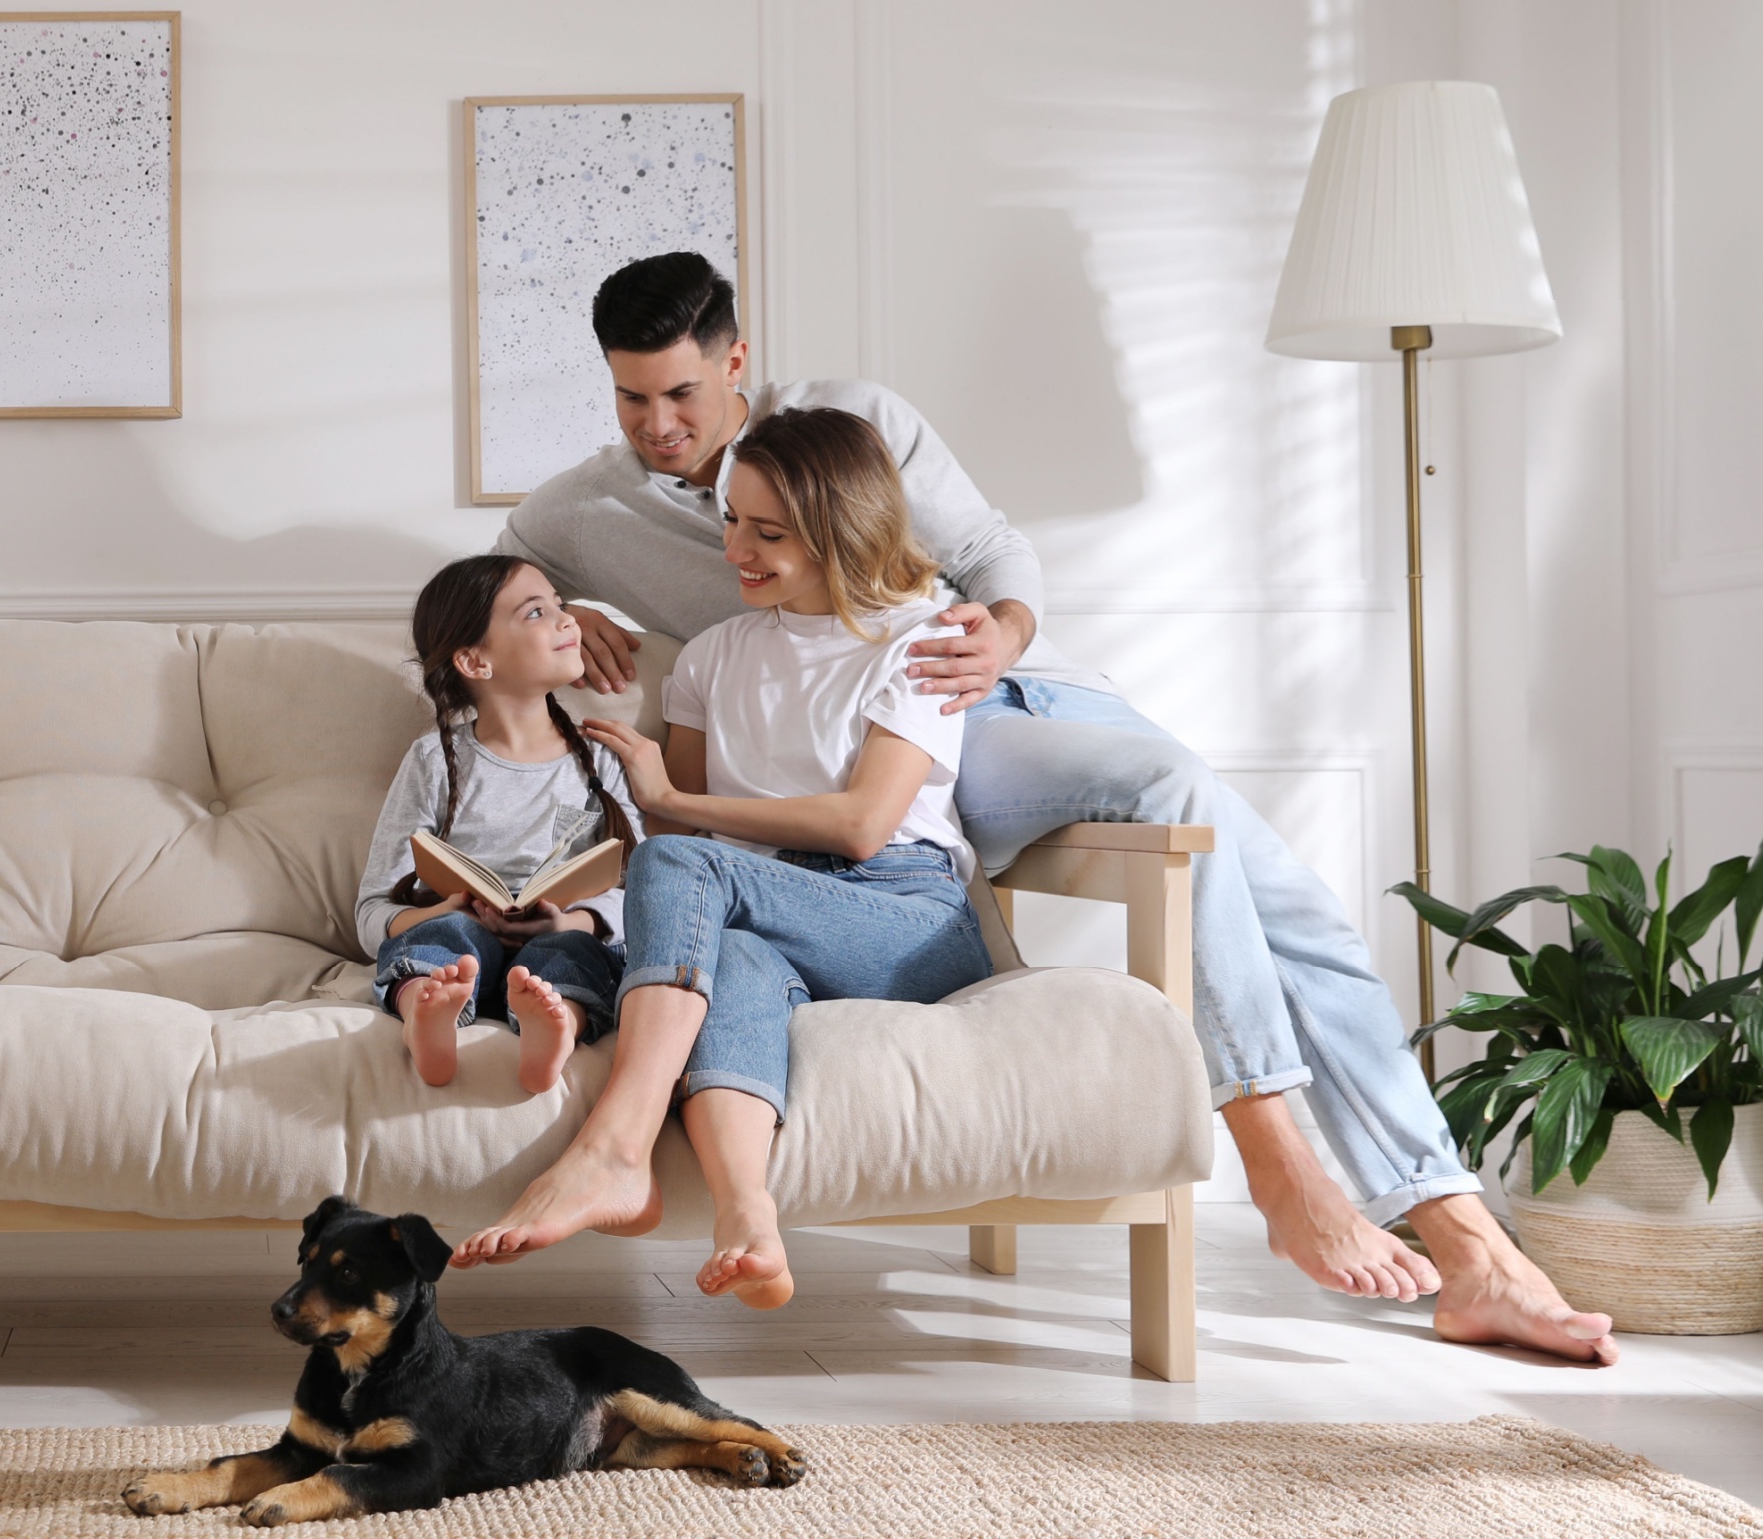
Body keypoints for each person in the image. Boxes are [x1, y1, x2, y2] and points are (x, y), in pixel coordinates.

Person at [459, 251, 1616, 1365]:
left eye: (681, 392)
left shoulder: (851, 422)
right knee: (1212, 841)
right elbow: (493, 575)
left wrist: (992, 638)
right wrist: (566, 603)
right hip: (870, 758)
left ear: (735, 360)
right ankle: (1387, 1216)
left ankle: (1394, 1213)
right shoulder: (591, 510)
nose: (658, 423)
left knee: (1282, 902)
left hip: (993, 700)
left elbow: (991, 553)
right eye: (629, 398)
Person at [562, 405, 992, 1308]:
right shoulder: (713, 657)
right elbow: (676, 853)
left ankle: (614, 1146)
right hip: (767, 910)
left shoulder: (923, 639)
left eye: (768, 532)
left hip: (903, 915)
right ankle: (747, 1216)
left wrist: (670, 802)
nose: (735, 550)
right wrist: (655, 817)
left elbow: (864, 824)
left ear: (840, 529)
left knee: (692, 872)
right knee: (737, 956)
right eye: (729, 520)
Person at [357, 556, 645, 1094]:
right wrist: (442, 910)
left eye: (561, 605)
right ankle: (428, 1009)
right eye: (538, 612)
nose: (567, 621)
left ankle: (558, 1028)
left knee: (575, 957)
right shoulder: (432, 761)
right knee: (444, 935)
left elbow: (644, 897)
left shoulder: (600, 758)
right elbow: (372, 912)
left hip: (559, 939)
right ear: (475, 660)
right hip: (461, 945)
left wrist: (570, 924)